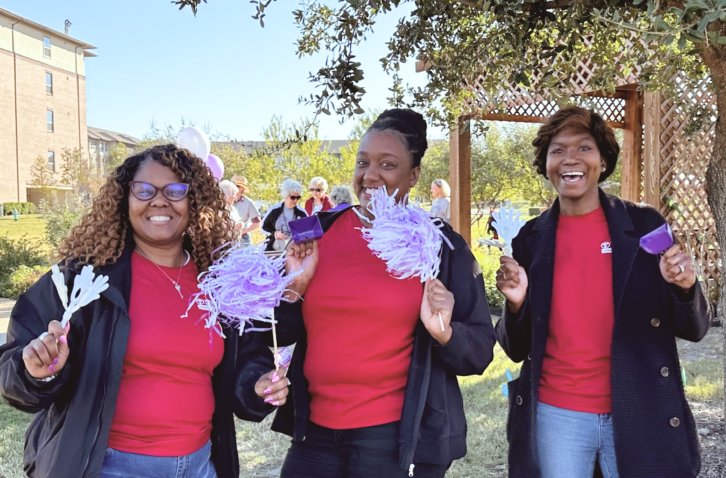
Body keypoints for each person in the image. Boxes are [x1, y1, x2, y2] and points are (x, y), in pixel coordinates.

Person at [0, 144, 290, 478]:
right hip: (106, 465)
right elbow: (14, 365)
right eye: (144, 190)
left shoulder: (220, 281)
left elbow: (247, 358)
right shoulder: (84, 280)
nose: (159, 200)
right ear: (125, 199)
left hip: (200, 465)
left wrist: (256, 385)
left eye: (175, 190)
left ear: (194, 200)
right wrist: (37, 370)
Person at [269, 109, 497, 477]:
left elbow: (480, 351)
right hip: (314, 431)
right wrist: (293, 290)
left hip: (392, 438)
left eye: (387, 164)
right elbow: (278, 330)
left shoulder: (440, 246)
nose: (370, 175)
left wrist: (445, 334)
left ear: (413, 176)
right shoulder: (315, 233)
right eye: (363, 162)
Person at [495, 106, 710, 478]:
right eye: (557, 150)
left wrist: (685, 286)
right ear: (545, 164)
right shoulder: (530, 239)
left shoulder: (644, 226)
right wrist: (515, 306)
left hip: (637, 405)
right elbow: (515, 348)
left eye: (584, 148)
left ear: (604, 159)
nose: (570, 160)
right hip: (556, 412)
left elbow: (694, 329)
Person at [262, 179, 307, 252]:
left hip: (295, 251)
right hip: (275, 250)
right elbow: (263, 227)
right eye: (293, 197)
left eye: (298, 197)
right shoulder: (274, 210)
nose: (295, 200)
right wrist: (275, 234)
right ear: (286, 195)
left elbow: (307, 232)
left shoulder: (302, 213)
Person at [231, 175, 262, 246]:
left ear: (241, 188)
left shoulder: (248, 203)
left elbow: (257, 222)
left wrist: (244, 231)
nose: (232, 188)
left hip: (243, 238)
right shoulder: (226, 201)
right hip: (228, 237)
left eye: (235, 186)